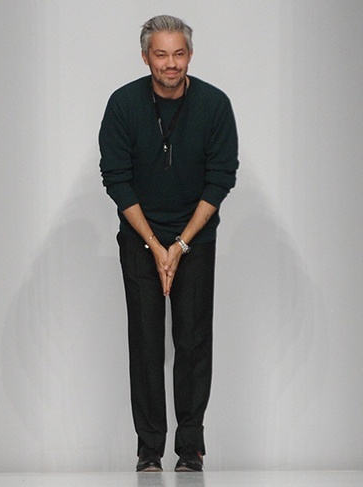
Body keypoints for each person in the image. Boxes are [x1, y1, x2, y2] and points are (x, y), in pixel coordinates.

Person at [98, 14, 239, 472]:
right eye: (161, 54)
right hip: (140, 239)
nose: (171, 63)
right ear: (145, 58)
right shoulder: (123, 104)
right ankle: (149, 450)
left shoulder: (214, 105)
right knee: (145, 342)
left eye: (179, 53)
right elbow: (116, 178)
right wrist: (156, 246)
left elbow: (221, 178)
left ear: (190, 55)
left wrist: (178, 245)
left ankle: (190, 448)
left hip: (195, 239)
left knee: (193, 341)